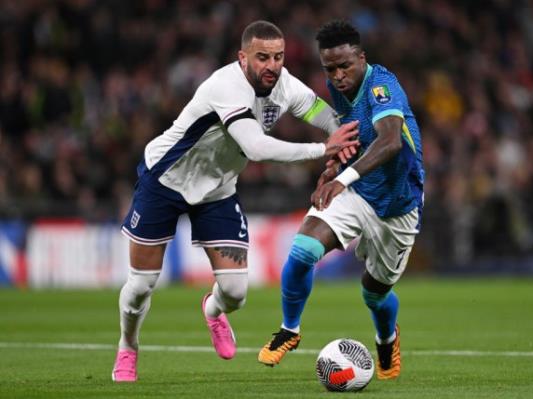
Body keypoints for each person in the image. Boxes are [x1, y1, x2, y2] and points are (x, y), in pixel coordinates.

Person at [111, 20, 360, 382]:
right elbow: (256, 148)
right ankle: (128, 347)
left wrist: (345, 137)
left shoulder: (284, 85)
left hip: (217, 190)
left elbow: (320, 113)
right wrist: (324, 149)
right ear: (242, 57)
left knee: (235, 292)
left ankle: (212, 312)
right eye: (262, 57)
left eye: (278, 57)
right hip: (165, 181)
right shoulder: (225, 87)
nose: (271, 65)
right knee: (140, 286)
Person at [258, 20, 425, 381]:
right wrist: (334, 166)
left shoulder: (382, 86)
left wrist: (341, 178)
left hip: (398, 206)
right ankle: (290, 328)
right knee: (303, 250)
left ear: (361, 58)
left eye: (344, 65)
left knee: (374, 294)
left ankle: (387, 337)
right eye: (329, 69)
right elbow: (354, 139)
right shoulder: (339, 91)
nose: (337, 75)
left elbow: (390, 141)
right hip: (358, 192)